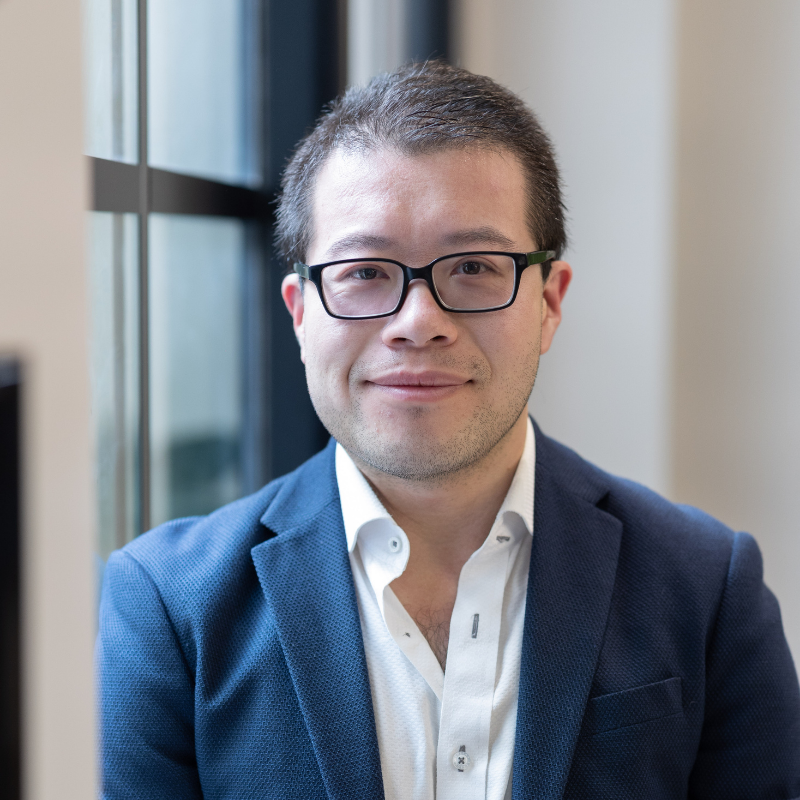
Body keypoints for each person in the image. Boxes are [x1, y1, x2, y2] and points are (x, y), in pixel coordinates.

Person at [98, 62, 800, 799]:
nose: (418, 323)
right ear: (300, 311)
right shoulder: (170, 607)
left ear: (550, 303)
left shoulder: (706, 587)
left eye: (473, 266)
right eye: (365, 271)